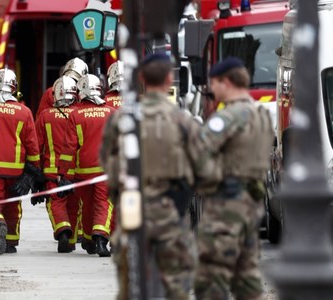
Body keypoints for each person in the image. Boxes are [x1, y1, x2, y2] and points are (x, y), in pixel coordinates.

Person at [100, 53, 203, 300]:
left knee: (131, 285)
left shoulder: (122, 120)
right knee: (175, 287)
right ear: (170, 79)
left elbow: (108, 163)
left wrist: (120, 195)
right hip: (170, 214)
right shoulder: (183, 121)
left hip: (133, 213)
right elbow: (202, 169)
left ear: (142, 79)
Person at [193, 57, 274, 300]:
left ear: (226, 82)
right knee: (246, 274)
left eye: (214, 83)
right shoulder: (260, 113)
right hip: (252, 203)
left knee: (212, 276)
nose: (211, 90)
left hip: (225, 205)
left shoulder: (227, 117)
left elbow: (198, 154)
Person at [0, 68, 40, 255]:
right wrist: (34, 170)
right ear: (14, 87)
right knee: (13, 205)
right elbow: (32, 144)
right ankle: (11, 241)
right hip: (16, 169)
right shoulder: (24, 112)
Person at [60, 74, 116, 257]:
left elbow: (69, 147)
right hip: (104, 168)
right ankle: (100, 237)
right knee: (103, 203)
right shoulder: (110, 112)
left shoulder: (75, 115)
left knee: (87, 204)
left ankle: (89, 240)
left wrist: (63, 175)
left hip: (82, 170)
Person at [35, 75, 80, 253]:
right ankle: (72, 239)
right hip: (75, 170)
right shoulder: (78, 114)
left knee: (55, 202)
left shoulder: (45, 116)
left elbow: (37, 144)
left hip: (52, 170)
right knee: (74, 204)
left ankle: (62, 229)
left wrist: (34, 171)